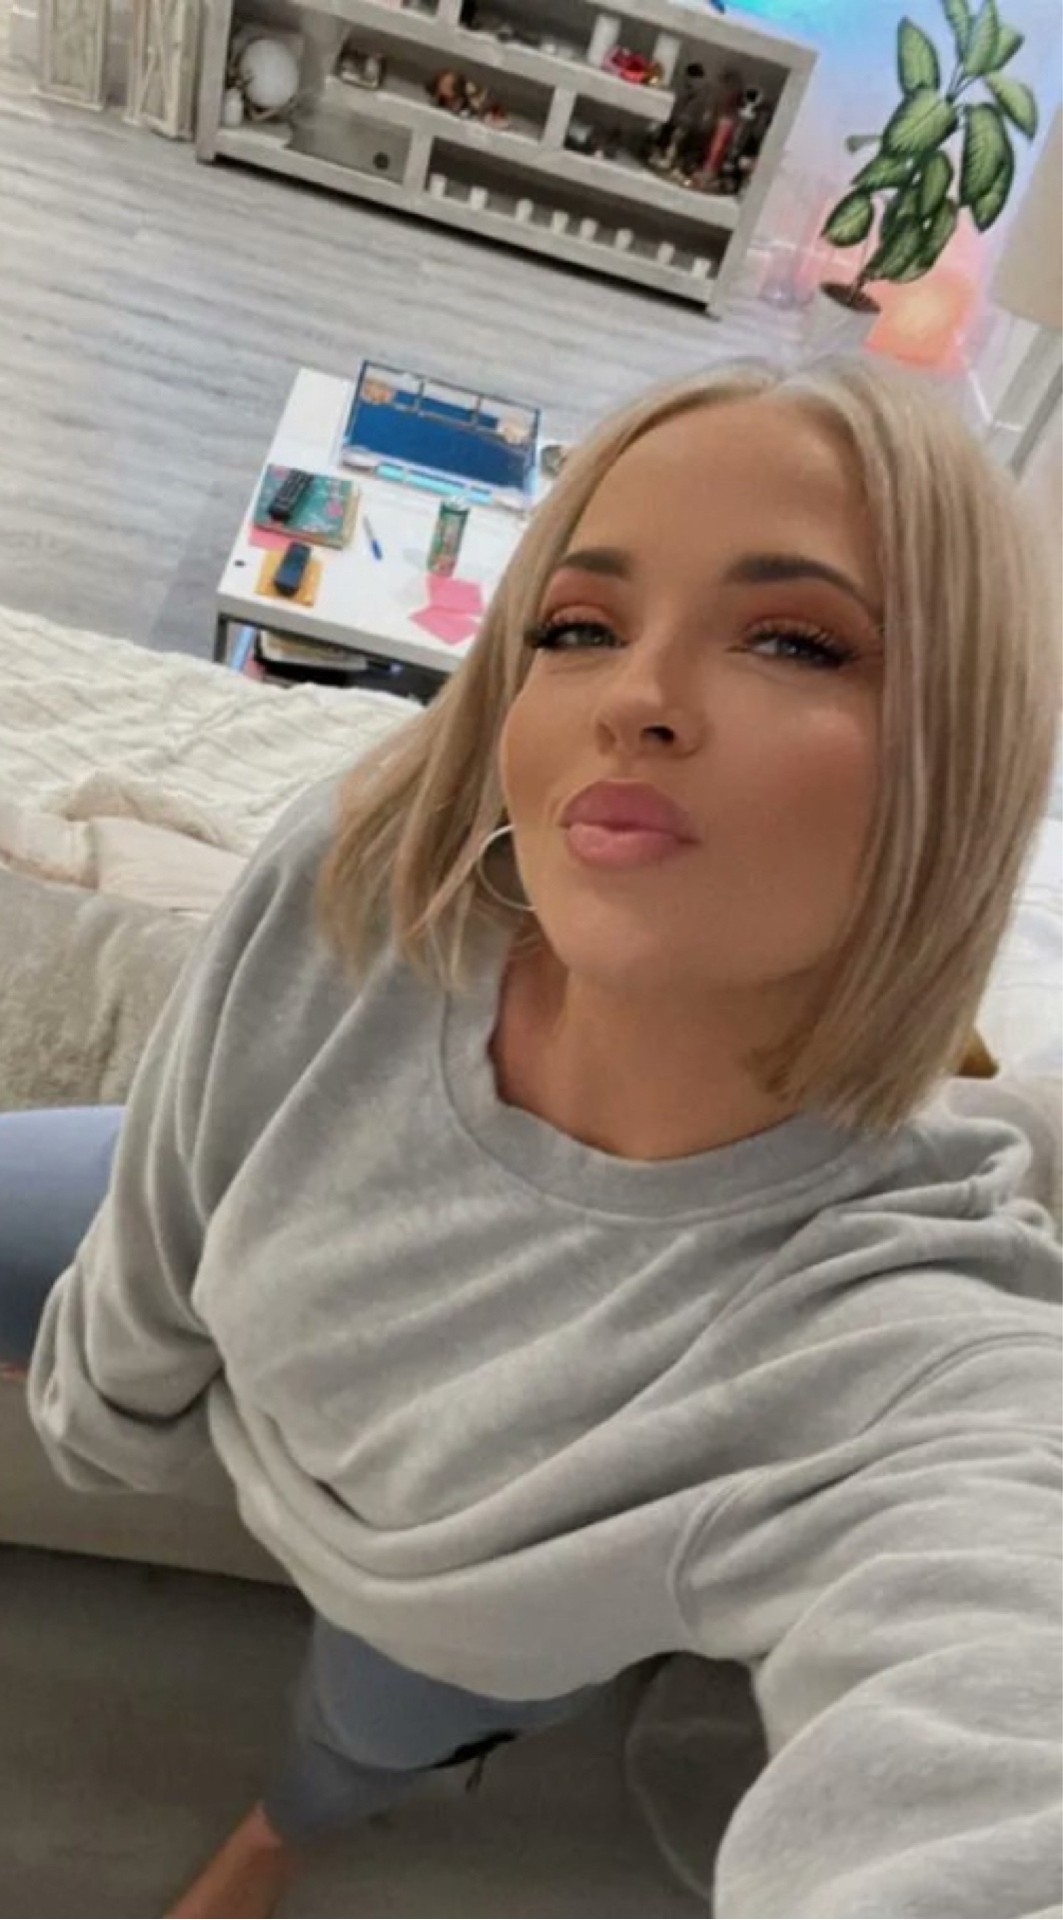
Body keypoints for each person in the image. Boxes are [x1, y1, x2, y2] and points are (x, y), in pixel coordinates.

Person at [2, 355, 1060, 1920]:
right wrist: (111, 1410)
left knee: (356, 1742)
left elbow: (999, 1729)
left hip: (421, 1616)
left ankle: (275, 1841)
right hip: (227, 1243)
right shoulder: (371, 866)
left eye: (792, 639)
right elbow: (180, 1162)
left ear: (962, 754)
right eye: (578, 627)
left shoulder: (906, 1347)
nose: (634, 696)